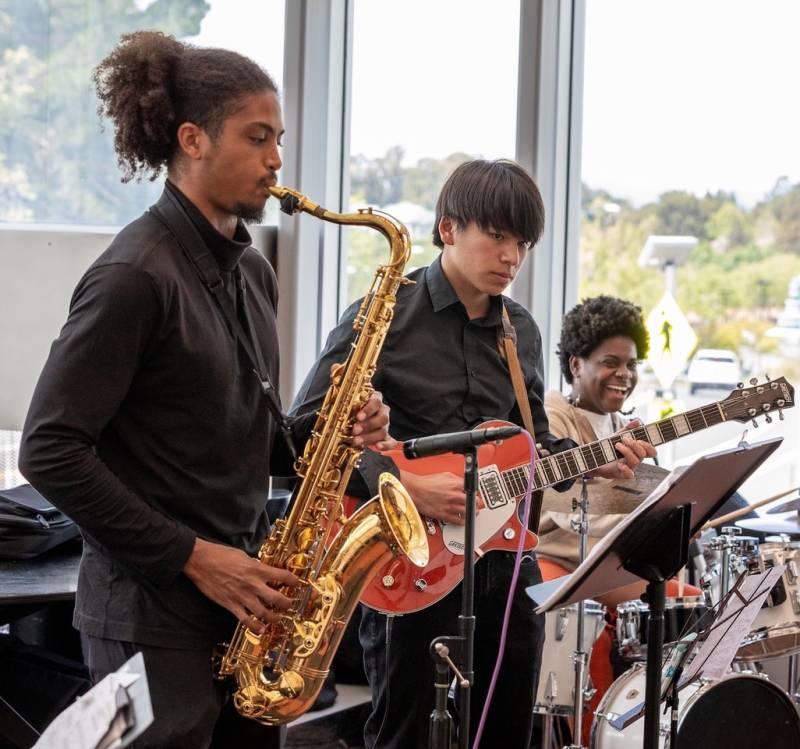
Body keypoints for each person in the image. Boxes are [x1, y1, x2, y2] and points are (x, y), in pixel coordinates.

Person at [18, 31, 391, 749]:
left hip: (247, 607)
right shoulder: (134, 275)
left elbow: (252, 436)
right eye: (258, 138)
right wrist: (193, 555)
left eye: (278, 138)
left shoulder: (250, 271)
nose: (277, 160)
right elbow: (51, 448)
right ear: (192, 139)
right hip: (151, 617)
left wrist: (329, 432)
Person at [291, 160, 653, 749]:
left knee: (507, 727)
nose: (512, 256)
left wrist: (597, 458)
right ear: (449, 228)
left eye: (524, 243)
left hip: (503, 559)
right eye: (498, 236)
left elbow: (532, 440)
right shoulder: (384, 315)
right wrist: (402, 488)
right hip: (407, 557)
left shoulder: (521, 331)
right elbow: (310, 428)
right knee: (404, 731)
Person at [535, 295, 687, 741]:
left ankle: (664, 725)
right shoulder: (552, 416)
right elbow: (557, 510)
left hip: (610, 561)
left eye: (632, 364)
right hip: (556, 557)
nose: (624, 374)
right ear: (576, 364)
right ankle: (595, 738)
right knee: (585, 633)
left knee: (690, 604)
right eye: (610, 362)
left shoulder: (625, 426)